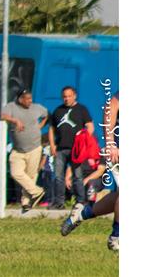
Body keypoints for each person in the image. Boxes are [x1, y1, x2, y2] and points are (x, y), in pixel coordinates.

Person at [61, 91, 119, 251]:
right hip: (119, 150)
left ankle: (81, 214)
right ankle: (117, 236)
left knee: (118, 196)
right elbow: (111, 107)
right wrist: (110, 143)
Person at [1, 90, 48, 213]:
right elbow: (3, 116)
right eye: (27, 98)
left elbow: (47, 115)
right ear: (20, 99)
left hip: (34, 148)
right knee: (16, 172)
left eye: (30, 98)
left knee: (31, 175)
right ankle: (37, 191)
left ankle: (26, 203)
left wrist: (39, 127)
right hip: (18, 149)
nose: (30, 101)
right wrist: (15, 121)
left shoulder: (37, 108)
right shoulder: (11, 107)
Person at [48, 86, 94, 209]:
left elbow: (90, 126)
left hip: (76, 150)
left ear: (74, 96)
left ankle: (80, 202)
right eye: (64, 96)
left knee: (78, 176)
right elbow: (51, 129)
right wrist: (52, 145)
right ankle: (59, 203)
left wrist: (84, 142)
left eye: (69, 96)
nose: (66, 99)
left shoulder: (82, 109)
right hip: (61, 149)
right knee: (58, 176)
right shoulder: (58, 110)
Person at [37, 134, 54, 208]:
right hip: (54, 170)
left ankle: (47, 201)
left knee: (47, 187)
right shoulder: (54, 147)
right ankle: (52, 200)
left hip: (47, 170)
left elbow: (43, 160)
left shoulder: (46, 149)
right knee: (52, 186)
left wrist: (38, 169)